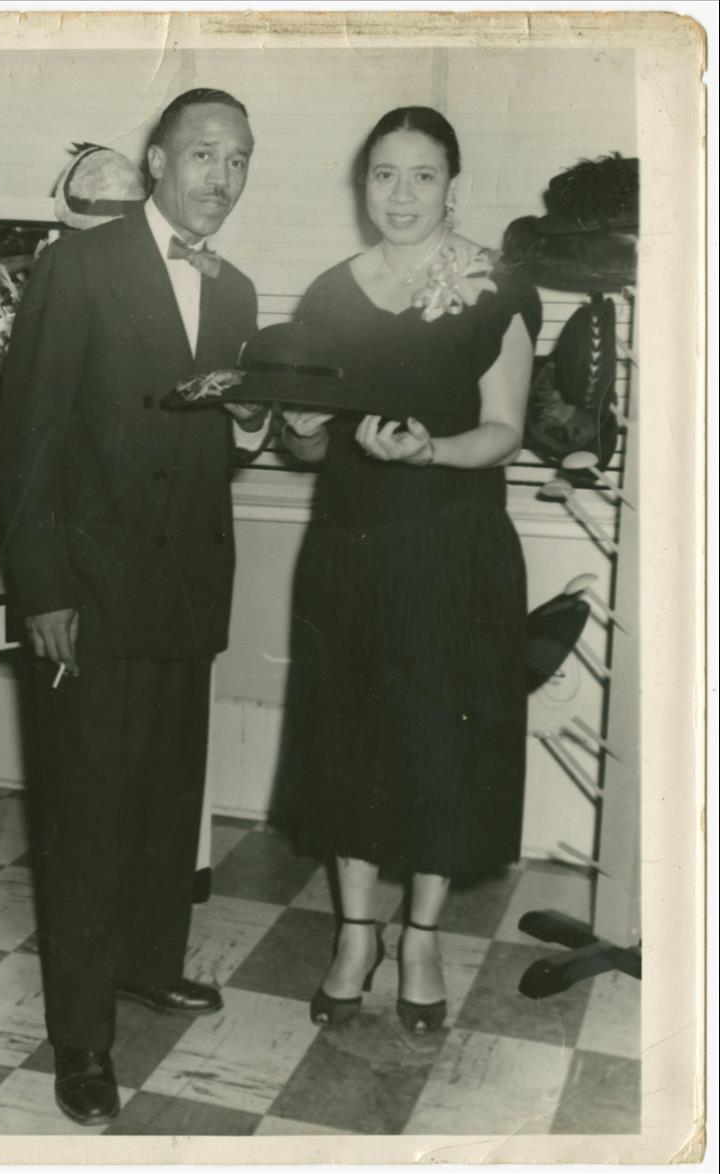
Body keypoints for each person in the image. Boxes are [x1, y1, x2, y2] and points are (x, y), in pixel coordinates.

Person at [0, 89, 266, 1124]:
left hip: (187, 589)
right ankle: (81, 1037)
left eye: (238, 160)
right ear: (157, 160)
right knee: (89, 818)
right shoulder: (79, 266)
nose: (220, 177)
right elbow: (26, 439)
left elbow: (210, 446)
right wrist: (45, 590)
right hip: (91, 594)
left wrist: (256, 426)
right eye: (203, 154)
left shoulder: (236, 291)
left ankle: (151, 965)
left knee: (166, 798)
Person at [279, 107, 540, 1032]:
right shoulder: (327, 296)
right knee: (348, 739)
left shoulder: (498, 289)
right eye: (384, 174)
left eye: (422, 175)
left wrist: (431, 452)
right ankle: (356, 934)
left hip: (453, 548)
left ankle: (420, 937)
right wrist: (300, 429)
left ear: (452, 186)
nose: (401, 195)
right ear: (364, 185)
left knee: (439, 746)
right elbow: (307, 447)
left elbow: (505, 430)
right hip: (349, 548)